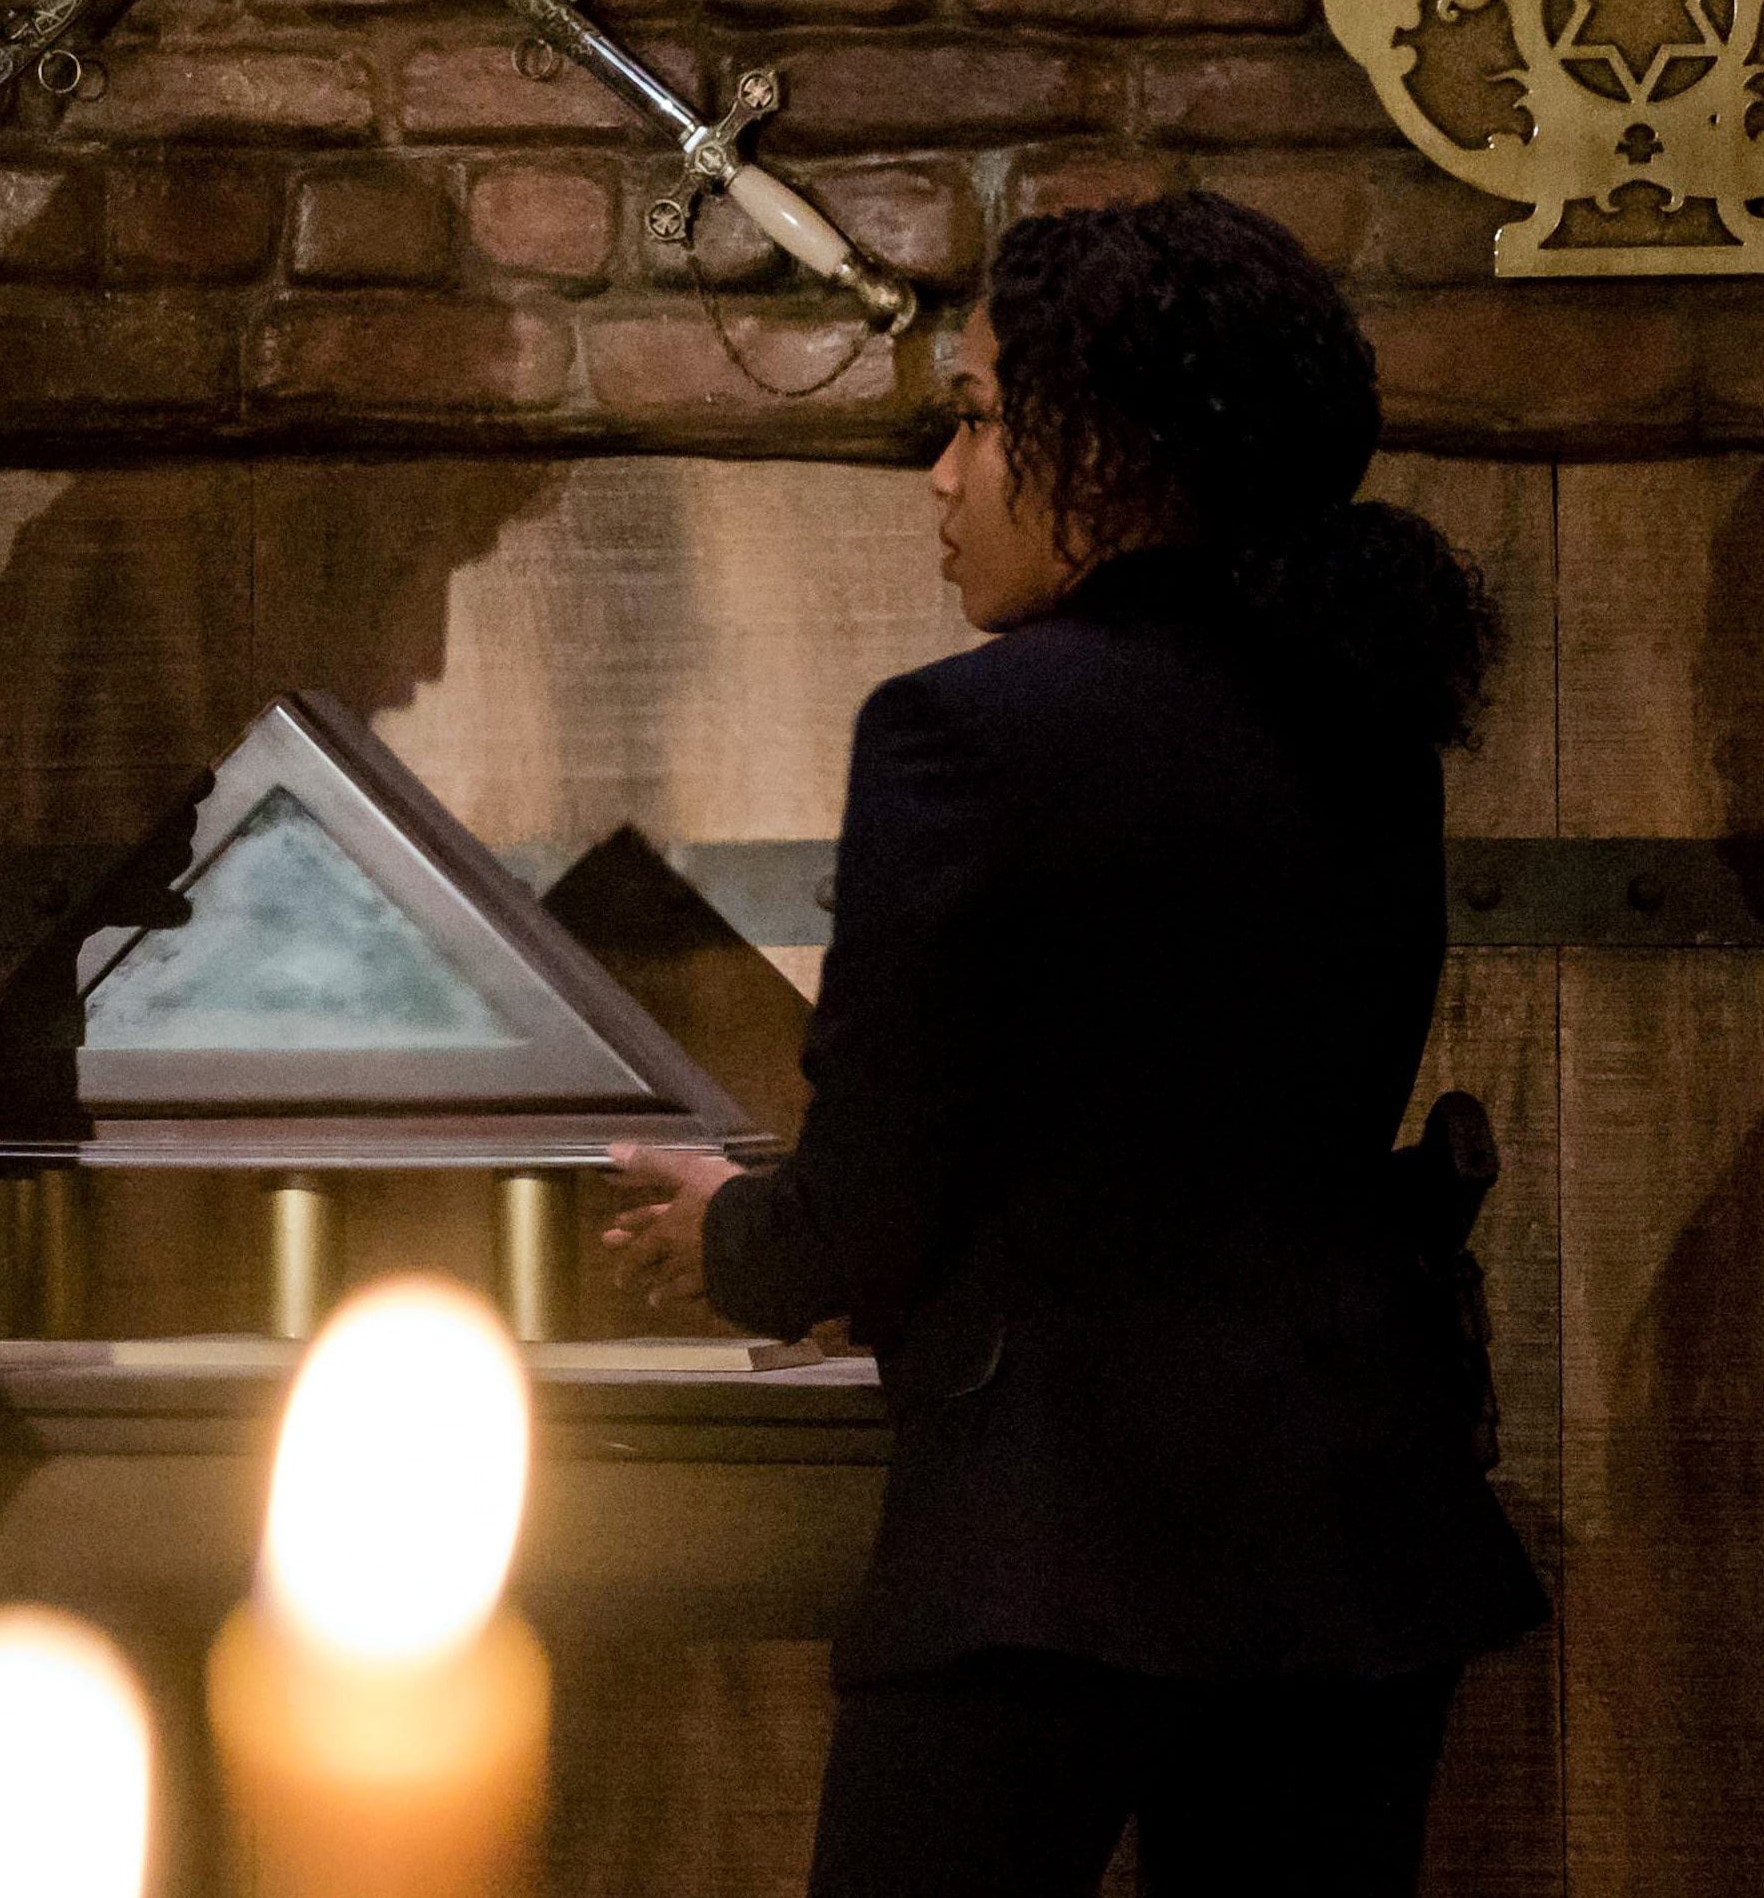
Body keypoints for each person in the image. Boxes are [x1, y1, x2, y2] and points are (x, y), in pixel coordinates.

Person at [600, 194, 1546, 1897]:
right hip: (1347, 1538)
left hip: (1047, 1547)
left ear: (1112, 451)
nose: (941, 478)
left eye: (973, 418)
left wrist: (723, 1232)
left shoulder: (964, 733)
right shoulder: (1369, 728)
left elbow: (866, 1211)